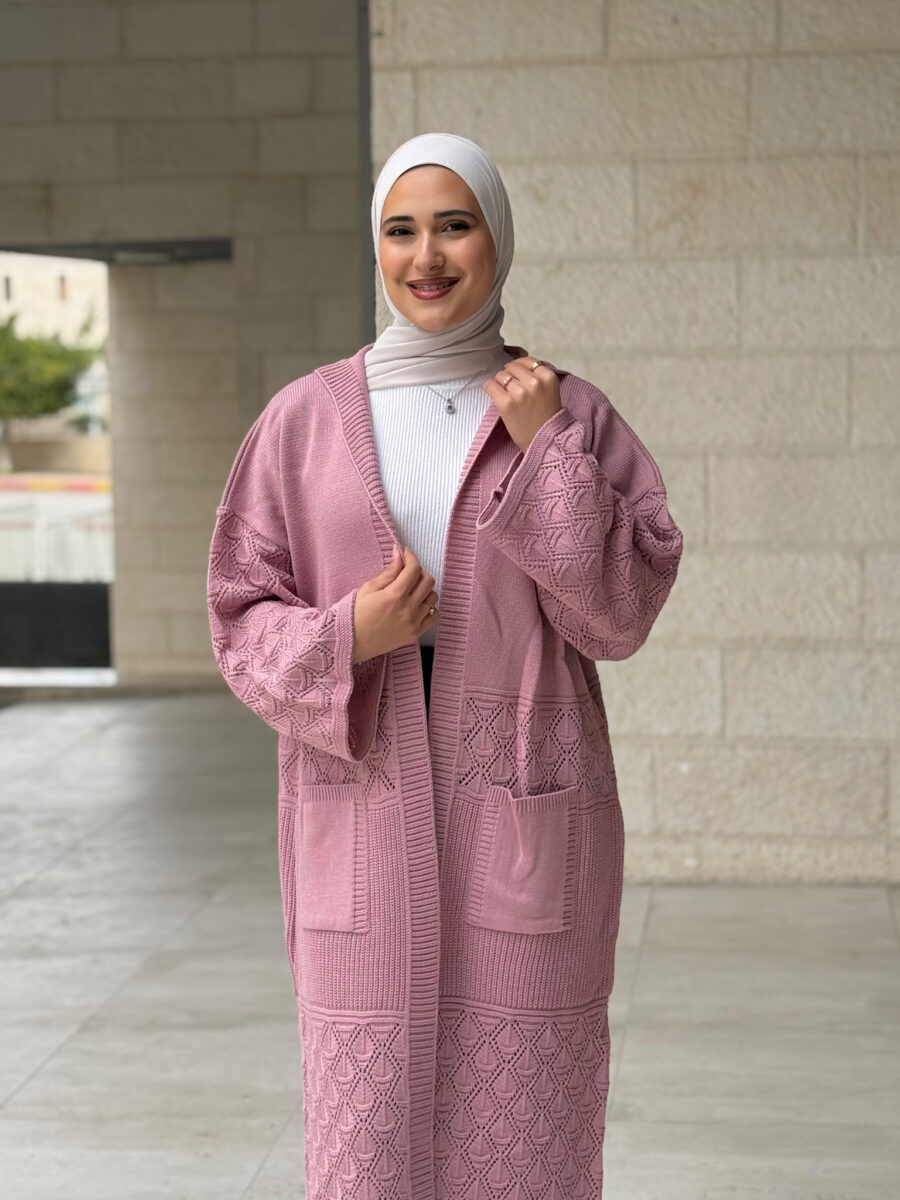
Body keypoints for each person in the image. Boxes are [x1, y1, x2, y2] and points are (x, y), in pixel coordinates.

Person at [207, 131, 684, 1200]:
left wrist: (547, 448)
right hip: (358, 805)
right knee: (365, 1142)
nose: (427, 256)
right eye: (401, 230)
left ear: (496, 239)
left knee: (528, 1135)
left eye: (455, 225)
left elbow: (619, 615)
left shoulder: (570, 411)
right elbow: (238, 620)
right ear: (376, 246)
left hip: (523, 807)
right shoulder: (303, 422)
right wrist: (350, 634)